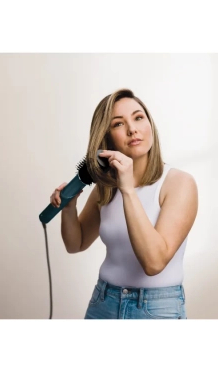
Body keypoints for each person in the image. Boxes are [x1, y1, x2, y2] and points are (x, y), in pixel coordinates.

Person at [50, 88, 198, 319]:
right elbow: (75, 244)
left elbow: (154, 263)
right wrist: (69, 208)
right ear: (107, 138)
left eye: (138, 117)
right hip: (103, 302)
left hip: (156, 309)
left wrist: (128, 190)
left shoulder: (179, 183)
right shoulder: (106, 187)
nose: (132, 129)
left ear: (150, 124)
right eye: (118, 123)